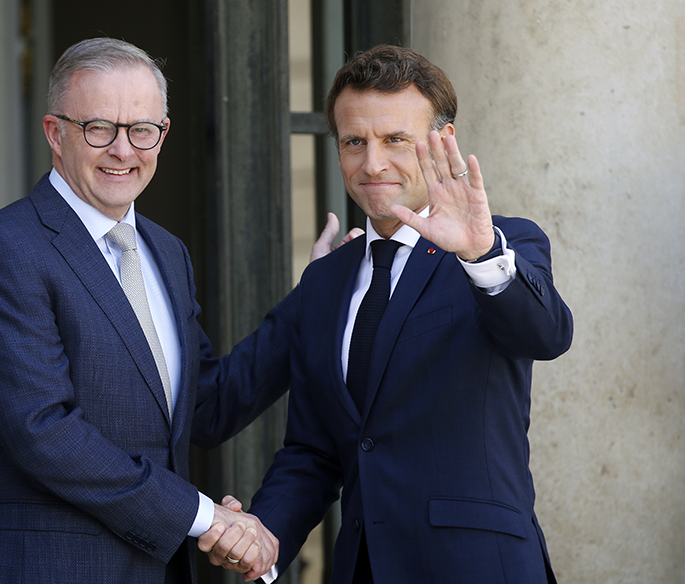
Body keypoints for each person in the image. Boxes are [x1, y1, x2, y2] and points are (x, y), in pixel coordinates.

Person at [0, 37, 353, 584]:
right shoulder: (3, 248)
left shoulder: (165, 251)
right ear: (54, 134)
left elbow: (206, 405)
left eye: (142, 130)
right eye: (98, 128)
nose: (123, 150)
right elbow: (45, 432)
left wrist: (313, 298)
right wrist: (207, 517)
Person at [201, 44, 574, 583]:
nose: (372, 163)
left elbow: (546, 333)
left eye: (395, 140)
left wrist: (479, 255)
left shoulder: (501, 242)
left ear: (441, 142)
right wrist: (262, 535)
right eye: (355, 141)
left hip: (479, 567)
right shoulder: (326, 278)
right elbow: (313, 453)